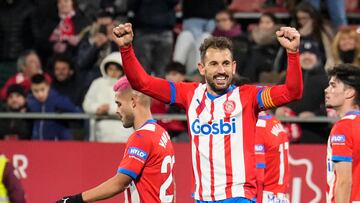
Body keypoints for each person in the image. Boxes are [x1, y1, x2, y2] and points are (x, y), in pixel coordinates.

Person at [112, 23, 303, 202]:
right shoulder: (188, 94)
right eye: (214, 64)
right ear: (201, 68)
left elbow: (292, 92)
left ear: (234, 67)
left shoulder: (248, 97)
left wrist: (292, 53)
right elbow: (142, 83)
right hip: (203, 197)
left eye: (226, 63)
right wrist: (126, 48)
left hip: (238, 196)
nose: (221, 70)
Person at [56, 77, 175, 203]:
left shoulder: (141, 137)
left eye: (119, 104)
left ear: (133, 102)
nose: (117, 110)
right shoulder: (162, 133)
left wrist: (75, 200)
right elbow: (172, 184)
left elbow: (120, 183)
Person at [326, 64, 360, 202]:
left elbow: (344, 182)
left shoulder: (344, 127)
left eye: (333, 85)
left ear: (349, 92)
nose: (327, 90)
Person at [83, 52, 133, 142]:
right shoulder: (97, 83)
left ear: (122, 70)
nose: (113, 72)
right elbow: (87, 103)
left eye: (117, 69)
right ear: (105, 69)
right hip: (100, 131)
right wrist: (97, 108)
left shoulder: (128, 85)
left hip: (123, 131)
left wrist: (109, 108)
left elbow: (131, 107)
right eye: (110, 69)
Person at [27, 74, 81, 140]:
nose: (40, 94)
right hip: (37, 143)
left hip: (57, 144)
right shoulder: (31, 103)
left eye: (42, 89)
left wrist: (64, 112)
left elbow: (78, 112)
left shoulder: (59, 101)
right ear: (31, 89)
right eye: (36, 91)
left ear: (48, 87)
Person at [255, 112, 290, 203]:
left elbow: (259, 173)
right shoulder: (275, 122)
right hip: (280, 197)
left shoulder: (258, 127)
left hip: (263, 195)